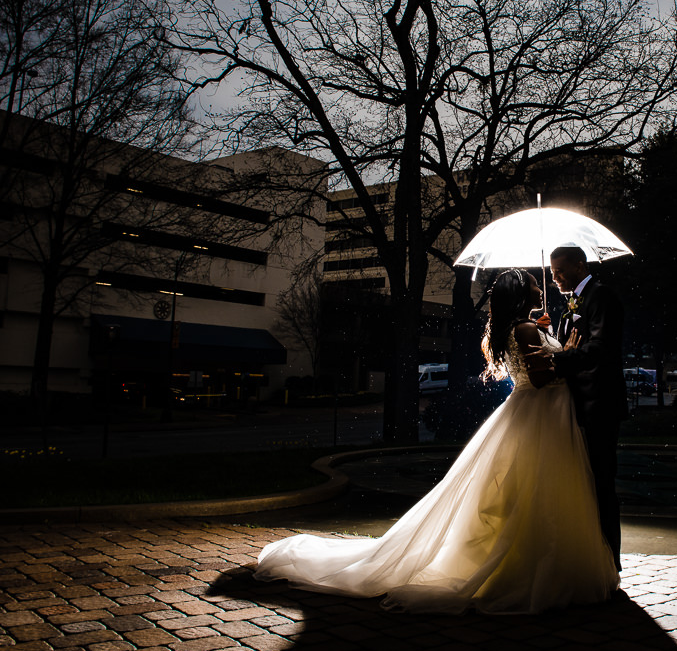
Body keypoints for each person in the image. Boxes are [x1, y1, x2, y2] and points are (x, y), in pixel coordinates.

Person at [253, 269, 618, 614]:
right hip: (542, 414)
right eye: (533, 284)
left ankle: (530, 557)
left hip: (539, 414)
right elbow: (540, 380)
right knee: (535, 491)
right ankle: (532, 565)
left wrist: (551, 341)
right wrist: (563, 350)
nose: (541, 287)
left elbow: (538, 366)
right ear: (524, 293)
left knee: (523, 493)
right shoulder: (524, 328)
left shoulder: (524, 327)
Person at [532, 246, 628, 571]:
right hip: (577, 405)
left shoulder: (601, 297)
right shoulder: (571, 302)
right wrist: (546, 334)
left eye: (559, 270)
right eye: (552, 271)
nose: (554, 276)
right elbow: (570, 344)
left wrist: (555, 361)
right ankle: (589, 560)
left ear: (579, 265)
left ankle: (610, 563)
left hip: (599, 404)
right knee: (583, 484)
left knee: (601, 483)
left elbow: (599, 347)